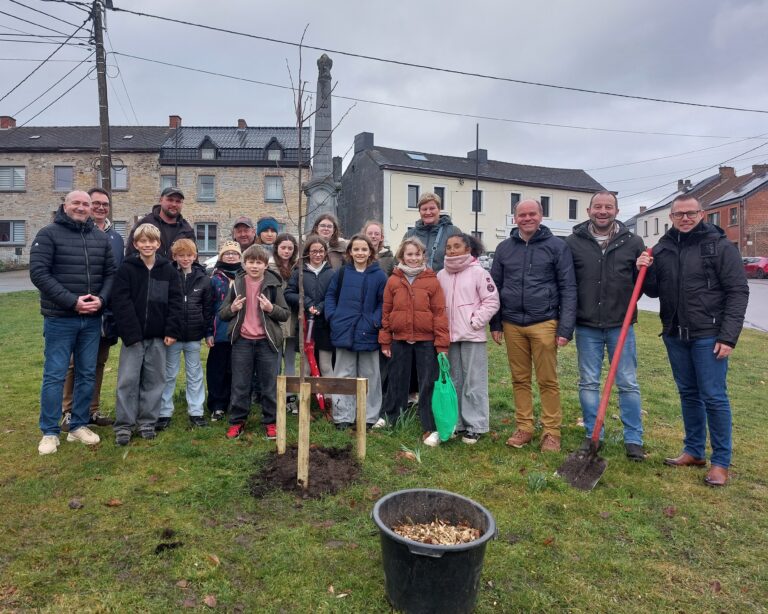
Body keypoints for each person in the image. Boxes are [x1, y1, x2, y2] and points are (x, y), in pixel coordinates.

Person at [638, 195, 749, 486]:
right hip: (675, 333)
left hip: (708, 335)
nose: (685, 218)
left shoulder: (719, 246)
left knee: (713, 396)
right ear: (671, 217)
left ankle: (721, 462)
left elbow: (738, 292)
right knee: (688, 393)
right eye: (679, 214)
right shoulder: (662, 248)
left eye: (690, 213)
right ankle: (694, 451)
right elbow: (652, 291)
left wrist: (728, 336)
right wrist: (644, 269)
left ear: (701, 213)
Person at [30, 190, 115, 455]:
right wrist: (72, 301)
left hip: (91, 319)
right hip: (60, 318)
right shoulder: (48, 234)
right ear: (65, 205)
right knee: (55, 374)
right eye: (76, 203)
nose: (81, 207)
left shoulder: (100, 238)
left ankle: (78, 425)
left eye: (85, 204)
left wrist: (101, 299)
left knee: (87, 372)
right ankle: (49, 431)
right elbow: (39, 273)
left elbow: (111, 274)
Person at [565, 191, 646, 461]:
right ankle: (593, 434)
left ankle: (633, 439)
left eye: (608, 207)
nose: (603, 211)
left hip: (620, 324)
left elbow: (644, 285)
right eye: (597, 206)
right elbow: (567, 283)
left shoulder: (633, 242)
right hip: (587, 324)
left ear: (617, 211)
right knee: (588, 382)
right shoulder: (573, 243)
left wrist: (645, 268)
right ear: (588, 211)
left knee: (627, 382)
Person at [490, 199, 576, 453]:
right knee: (520, 379)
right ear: (514, 218)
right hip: (512, 323)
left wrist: (565, 328)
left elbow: (568, 287)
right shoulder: (504, 248)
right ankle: (524, 427)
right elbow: (494, 287)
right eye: (522, 215)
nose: (527, 218)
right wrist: (495, 323)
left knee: (548, 380)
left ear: (541, 216)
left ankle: (551, 432)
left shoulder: (557, 246)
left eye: (532, 214)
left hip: (544, 322)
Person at [111, 223, 182, 445]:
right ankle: (124, 425)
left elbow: (176, 302)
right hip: (133, 338)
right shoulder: (127, 269)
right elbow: (120, 302)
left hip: (158, 336)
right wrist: (131, 334)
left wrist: (171, 330)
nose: (147, 245)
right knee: (128, 380)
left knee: (155, 380)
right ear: (135, 244)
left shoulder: (167, 270)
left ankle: (147, 422)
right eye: (143, 241)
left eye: (152, 241)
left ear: (158, 244)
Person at [60, 187, 123, 431]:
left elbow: (115, 274)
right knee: (74, 363)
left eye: (105, 204)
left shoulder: (116, 238)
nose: (100, 207)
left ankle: (92, 410)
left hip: (105, 309)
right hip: (78, 308)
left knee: (98, 362)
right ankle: (68, 411)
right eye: (95, 203)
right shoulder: (72, 232)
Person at [379, 237, 449, 446]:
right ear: (402, 256)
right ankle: (390, 416)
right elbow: (386, 312)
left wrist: (442, 344)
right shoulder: (393, 280)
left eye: (417, 254)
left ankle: (430, 425)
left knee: (427, 382)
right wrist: (385, 340)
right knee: (396, 379)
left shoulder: (431, 280)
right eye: (409, 254)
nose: (413, 258)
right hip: (399, 338)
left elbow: (439, 313)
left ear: (423, 256)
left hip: (425, 340)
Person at [219, 245, 289, 440]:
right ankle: (237, 421)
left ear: (266, 265)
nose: (254, 266)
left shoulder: (273, 285)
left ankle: (271, 422)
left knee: (269, 385)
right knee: (240, 384)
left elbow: (285, 314)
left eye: (259, 262)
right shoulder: (237, 284)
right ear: (244, 264)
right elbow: (223, 314)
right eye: (251, 262)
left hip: (267, 342)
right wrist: (233, 308)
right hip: (242, 341)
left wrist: (270, 308)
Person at [437, 233, 499, 444]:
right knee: (453, 381)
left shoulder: (479, 273)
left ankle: (476, 425)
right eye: (449, 247)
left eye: (457, 246)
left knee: (474, 381)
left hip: (472, 335)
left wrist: (475, 321)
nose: (452, 250)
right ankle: (456, 423)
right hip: (449, 337)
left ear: (467, 249)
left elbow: (491, 300)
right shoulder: (441, 275)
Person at [325, 234, 388, 430]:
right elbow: (330, 296)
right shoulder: (342, 273)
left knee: (370, 376)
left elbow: (384, 302)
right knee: (344, 374)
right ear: (350, 252)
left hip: (369, 331)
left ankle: (368, 417)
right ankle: (343, 416)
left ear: (370, 252)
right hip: (344, 330)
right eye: (356, 249)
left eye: (364, 249)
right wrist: (333, 317)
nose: (360, 253)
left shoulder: (379, 276)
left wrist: (374, 321)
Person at [157, 239, 215, 431]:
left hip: (194, 334)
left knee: (194, 374)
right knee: (169, 374)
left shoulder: (203, 279)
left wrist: (208, 332)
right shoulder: (168, 276)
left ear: (195, 256)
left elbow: (207, 309)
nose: (185, 259)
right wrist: (166, 330)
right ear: (174, 256)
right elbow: (163, 306)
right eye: (181, 255)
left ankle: (196, 411)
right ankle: (164, 412)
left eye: (189, 255)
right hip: (172, 336)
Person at [285, 236, 335, 379]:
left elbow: (334, 295)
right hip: (305, 324)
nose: (317, 254)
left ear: (325, 253)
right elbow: (289, 293)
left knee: (326, 366)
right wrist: (307, 303)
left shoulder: (332, 273)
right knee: (306, 367)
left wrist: (321, 307)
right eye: (314, 251)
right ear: (307, 252)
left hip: (325, 325)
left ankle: (329, 394)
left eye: (321, 251)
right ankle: (305, 394)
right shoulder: (299, 272)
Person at [206, 240, 243, 422]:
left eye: (234, 253)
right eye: (227, 253)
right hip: (220, 332)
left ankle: (234, 403)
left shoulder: (245, 277)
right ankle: (217, 405)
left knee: (236, 370)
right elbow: (208, 307)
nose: (231, 256)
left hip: (241, 332)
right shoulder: (214, 279)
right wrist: (208, 332)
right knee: (217, 370)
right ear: (221, 256)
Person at [270, 233, 299, 411]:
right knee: (274, 360)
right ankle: (274, 397)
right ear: (277, 248)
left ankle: (290, 399)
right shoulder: (270, 266)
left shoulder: (298, 267)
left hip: (293, 316)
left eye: (290, 248)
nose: (286, 251)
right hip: (275, 316)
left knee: (290, 360)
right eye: (283, 247)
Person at [126, 187, 195, 259]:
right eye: (170, 200)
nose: (174, 204)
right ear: (161, 200)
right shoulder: (144, 223)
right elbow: (130, 256)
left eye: (178, 201)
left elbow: (193, 259)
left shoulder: (187, 229)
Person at [402, 192, 461, 273]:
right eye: (424, 209)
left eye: (432, 208)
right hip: (416, 280)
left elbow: (463, 259)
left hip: (444, 280)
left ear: (439, 209)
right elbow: (400, 260)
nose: (428, 212)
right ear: (419, 211)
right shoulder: (410, 234)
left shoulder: (453, 232)